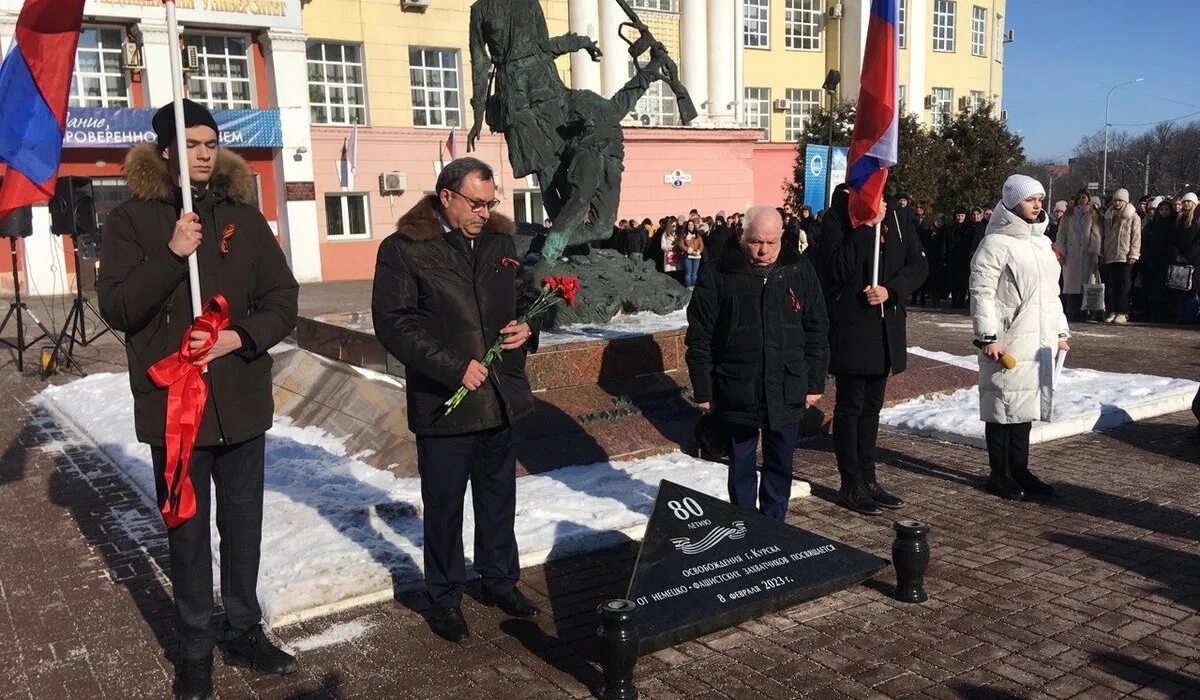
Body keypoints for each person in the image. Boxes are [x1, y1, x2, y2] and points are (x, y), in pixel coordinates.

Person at [97, 99, 300, 700]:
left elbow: (283, 299)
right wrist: (172, 255)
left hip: (238, 403)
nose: (205, 154)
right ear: (166, 153)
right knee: (186, 533)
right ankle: (194, 650)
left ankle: (243, 629)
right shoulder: (131, 221)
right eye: (191, 145)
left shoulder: (243, 214)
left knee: (243, 527)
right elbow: (120, 309)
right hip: (173, 414)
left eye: (210, 142)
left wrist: (242, 336)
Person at [372, 157, 542, 644]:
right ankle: (444, 596)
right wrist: (451, 366)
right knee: (443, 507)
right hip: (445, 400)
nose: (484, 213)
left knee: (497, 499)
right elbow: (395, 323)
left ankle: (499, 581)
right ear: (446, 197)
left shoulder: (500, 242)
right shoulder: (405, 248)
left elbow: (527, 296)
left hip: (501, 395)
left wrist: (529, 326)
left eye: (491, 203)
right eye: (476, 203)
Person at [686, 207, 829, 520]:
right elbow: (700, 337)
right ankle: (745, 524)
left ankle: (774, 524)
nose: (763, 250)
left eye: (771, 243)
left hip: (787, 384)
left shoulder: (798, 269)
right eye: (755, 242)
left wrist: (815, 382)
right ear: (741, 236)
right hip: (737, 386)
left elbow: (817, 328)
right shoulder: (718, 273)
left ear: (782, 239)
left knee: (780, 461)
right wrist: (703, 390)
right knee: (741, 460)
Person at [821, 184, 928, 515]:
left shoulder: (897, 215)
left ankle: (868, 479)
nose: (878, 200)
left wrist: (892, 291)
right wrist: (866, 227)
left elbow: (918, 264)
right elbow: (837, 268)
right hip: (853, 328)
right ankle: (850, 483)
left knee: (872, 407)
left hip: (886, 327)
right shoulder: (838, 217)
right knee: (851, 406)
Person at [970, 175, 1070, 500]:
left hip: (1039, 340)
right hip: (1007, 340)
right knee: (1002, 406)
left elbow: (1051, 294)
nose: (1038, 204)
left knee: (1024, 408)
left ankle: (1021, 470)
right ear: (1013, 202)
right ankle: (999, 474)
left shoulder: (1043, 243)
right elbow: (981, 292)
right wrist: (987, 336)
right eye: (1031, 199)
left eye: (1040, 198)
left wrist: (1061, 332)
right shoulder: (995, 243)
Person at [1054, 190, 1102, 322]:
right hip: (1071, 254)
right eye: (1079, 198)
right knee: (1071, 285)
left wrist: (1095, 253)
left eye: (1084, 197)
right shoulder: (1068, 214)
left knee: (1086, 284)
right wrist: (1061, 252)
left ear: (1088, 199)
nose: (1081, 200)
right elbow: (1061, 234)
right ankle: (1072, 311)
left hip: (1086, 254)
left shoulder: (1092, 214)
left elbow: (1096, 234)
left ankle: (1085, 312)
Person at [1099, 188, 1142, 323]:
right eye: (1115, 200)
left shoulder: (1133, 216)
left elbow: (1136, 236)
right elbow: (1104, 235)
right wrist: (1102, 253)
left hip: (1125, 255)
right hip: (1110, 254)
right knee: (1111, 285)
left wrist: (1134, 254)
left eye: (1120, 200)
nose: (1117, 203)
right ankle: (1112, 310)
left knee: (1124, 284)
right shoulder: (1108, 216)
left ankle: (1123, 311)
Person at [1138, 198, 1177, 322]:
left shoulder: (1174, 223)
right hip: (1153, 260)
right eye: (1162, 210)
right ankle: (1152, 313)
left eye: (1166, 210)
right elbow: (1144, 240)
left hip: (1169, 260)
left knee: (1167, 289)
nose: (1164, 212)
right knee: (1153, 288)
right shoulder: (1152, 223)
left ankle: (1166, 314)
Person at [1172, 193, 1200, 323]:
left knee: (1192, 289)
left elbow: (1198, 242)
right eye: (1184, 202)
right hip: (1180, 258)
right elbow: (1174, 239)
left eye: (1189, 202)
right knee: (1180, 288)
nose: (1186, 204)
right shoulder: (1179, 218)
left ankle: (1192, 318)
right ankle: (1182, 317)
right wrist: (1177, 254)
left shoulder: (1197, 218)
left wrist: (1187, 256)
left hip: (1194, 260)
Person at [946, 209, 974, 308]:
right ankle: (954, 301)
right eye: (958, 216)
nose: (960, 218)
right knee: (953, 281)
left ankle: (961, 301)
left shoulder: (969, 229)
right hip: (952, 258)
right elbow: (946, 243)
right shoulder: (950, 228)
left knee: (963, 281)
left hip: (964, 258)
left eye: (962, 216)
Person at [680, 222, 705, 288]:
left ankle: (693, 287)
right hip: (687, 256)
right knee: (688, 273)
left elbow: (701, 245)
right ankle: (688, 287)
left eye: (692, 225)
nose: (690, 226)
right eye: (689, 225)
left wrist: (699, 251)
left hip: (696, 256)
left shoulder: (697, 235)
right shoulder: (684, 235)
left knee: (694, 274)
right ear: (687, 226)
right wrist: (689, 250)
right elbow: (681, 245)